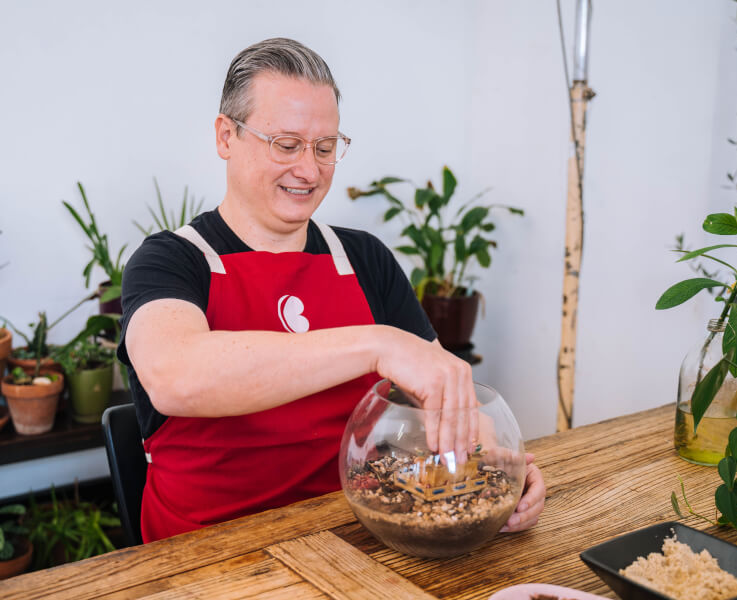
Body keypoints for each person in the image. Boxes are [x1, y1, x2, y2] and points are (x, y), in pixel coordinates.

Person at [119, 37, 545, 543]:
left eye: (325, 148)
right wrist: (378, 343)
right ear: (226, 136)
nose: (309, 170)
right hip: (206, 555)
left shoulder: (362, 259)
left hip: (357, 535)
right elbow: (176, 377)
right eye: (287, 144)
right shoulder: (171, 260)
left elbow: (444, 397)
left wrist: (496, 463)